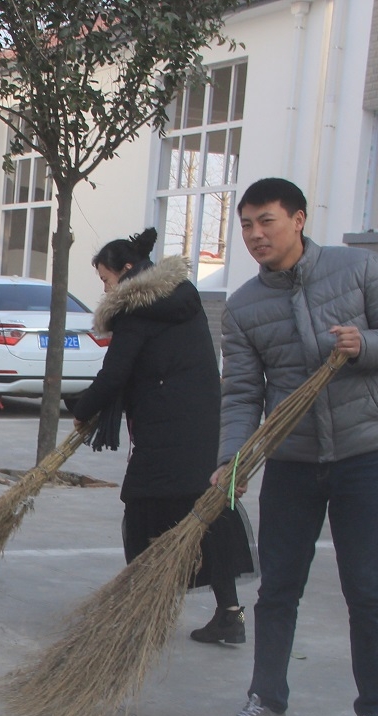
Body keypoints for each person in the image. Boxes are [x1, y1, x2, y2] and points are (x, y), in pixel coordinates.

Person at [212, 177, 378, 716]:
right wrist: (233, 457)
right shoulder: (245, 305)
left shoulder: (357, 269)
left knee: (368, 590)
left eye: (266, 221)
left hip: (364, 455)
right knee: (277, 588)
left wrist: (365, 344)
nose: (255, 235)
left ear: (299, 219)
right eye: (246, 225)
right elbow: (243, 392)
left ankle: (376, 715)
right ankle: (266, 703)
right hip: (294, 462)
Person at [70, 228, 253, 641]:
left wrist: (81, 409)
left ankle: (141, 612)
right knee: (203, 510)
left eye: (105, 279)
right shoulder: (180, 299)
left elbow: (115, 372)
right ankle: (230, 614)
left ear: (127, 271)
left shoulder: (137, 308)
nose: (105, 288)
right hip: (201, 424)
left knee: (143, 513)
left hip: (165, 429)